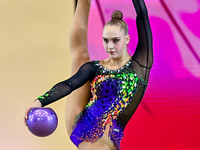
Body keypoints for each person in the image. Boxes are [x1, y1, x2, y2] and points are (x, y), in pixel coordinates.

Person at [24, 0, 153, 150]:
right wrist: (40, 101)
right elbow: (69, 84)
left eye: (115, 41)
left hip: (105, 138)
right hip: (81, 124)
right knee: (80, 56)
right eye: (106, 41)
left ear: (127, 39)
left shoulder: (140, 66)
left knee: (80, 55)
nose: (110, 46)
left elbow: (142, 15)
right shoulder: (95, 68)